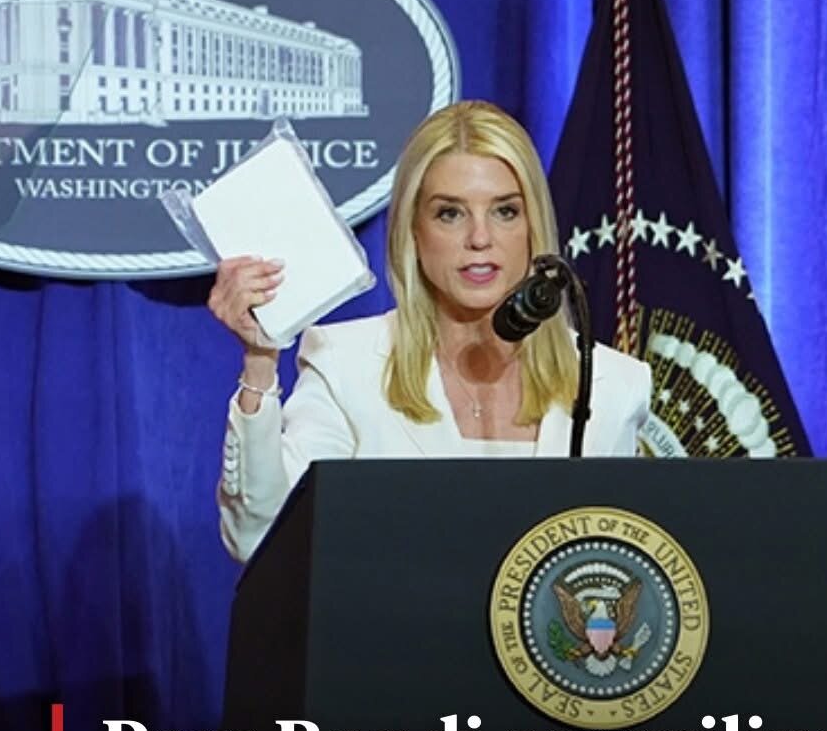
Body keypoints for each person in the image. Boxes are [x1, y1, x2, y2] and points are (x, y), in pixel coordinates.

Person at [209, 100, 652, 563]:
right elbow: (258, 538)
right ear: (413, 231)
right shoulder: (346, 365)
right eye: (450, 214)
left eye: (505, 211)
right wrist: (260, 362)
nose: (480, 238)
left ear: (532, 227)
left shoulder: (614, 385)